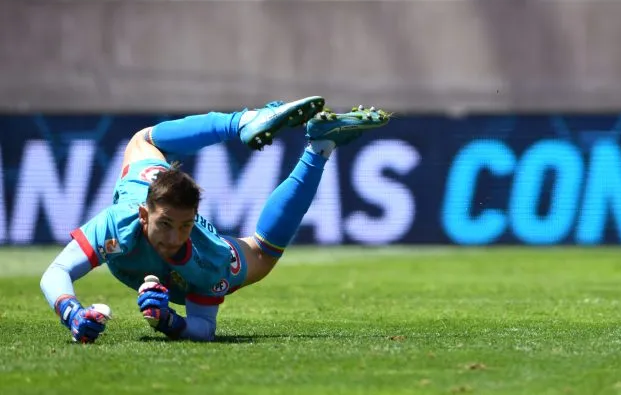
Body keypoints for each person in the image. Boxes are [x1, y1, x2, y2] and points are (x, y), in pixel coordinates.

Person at [39, 97, 391, 343]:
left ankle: (318, 149)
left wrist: (169, 321)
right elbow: (56, 272)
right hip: (145, 182)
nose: (175, 237)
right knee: (142, 140)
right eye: (165, 225)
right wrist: (72, 313)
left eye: (184, 226)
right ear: (144, 215)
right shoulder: (118, 222)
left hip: (212, 250)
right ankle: (243, 120)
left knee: (263, 253)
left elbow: (204, 328)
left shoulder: (209, 259)